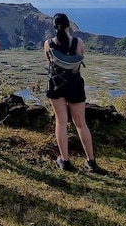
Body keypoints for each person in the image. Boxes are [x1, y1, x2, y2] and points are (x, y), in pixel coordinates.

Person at [44, 13, 105, 174]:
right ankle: (91, 162)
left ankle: (64, 160)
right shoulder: (78, 43)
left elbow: (49, 61)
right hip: (75, 85)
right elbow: (79, 61)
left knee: (61, 122)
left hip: (56, 85)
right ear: (68, 26)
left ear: (54, 26)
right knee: (81, 123)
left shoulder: (48, 43)